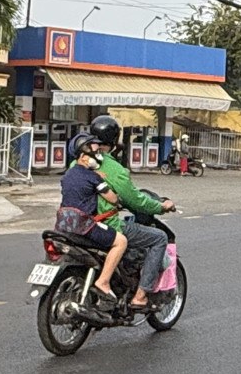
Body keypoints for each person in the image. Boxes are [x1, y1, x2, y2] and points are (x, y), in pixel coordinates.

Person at [84, 115, 177, 309]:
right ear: (113, 140)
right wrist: (160, 206)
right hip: (105, 225)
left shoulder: (77, 163)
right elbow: (135, 200)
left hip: (77, 223)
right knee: (159, 237)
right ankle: (140, 296)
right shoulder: (113, 168)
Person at [58, 135, 131, 299]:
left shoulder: (67, 175)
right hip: (84, 226)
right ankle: (103, 282)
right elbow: (112, 198)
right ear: (83, 157)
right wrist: (120, 201)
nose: (99, 156)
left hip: (63, 224)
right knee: (121, 241)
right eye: (95, 153)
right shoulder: (93, 176)